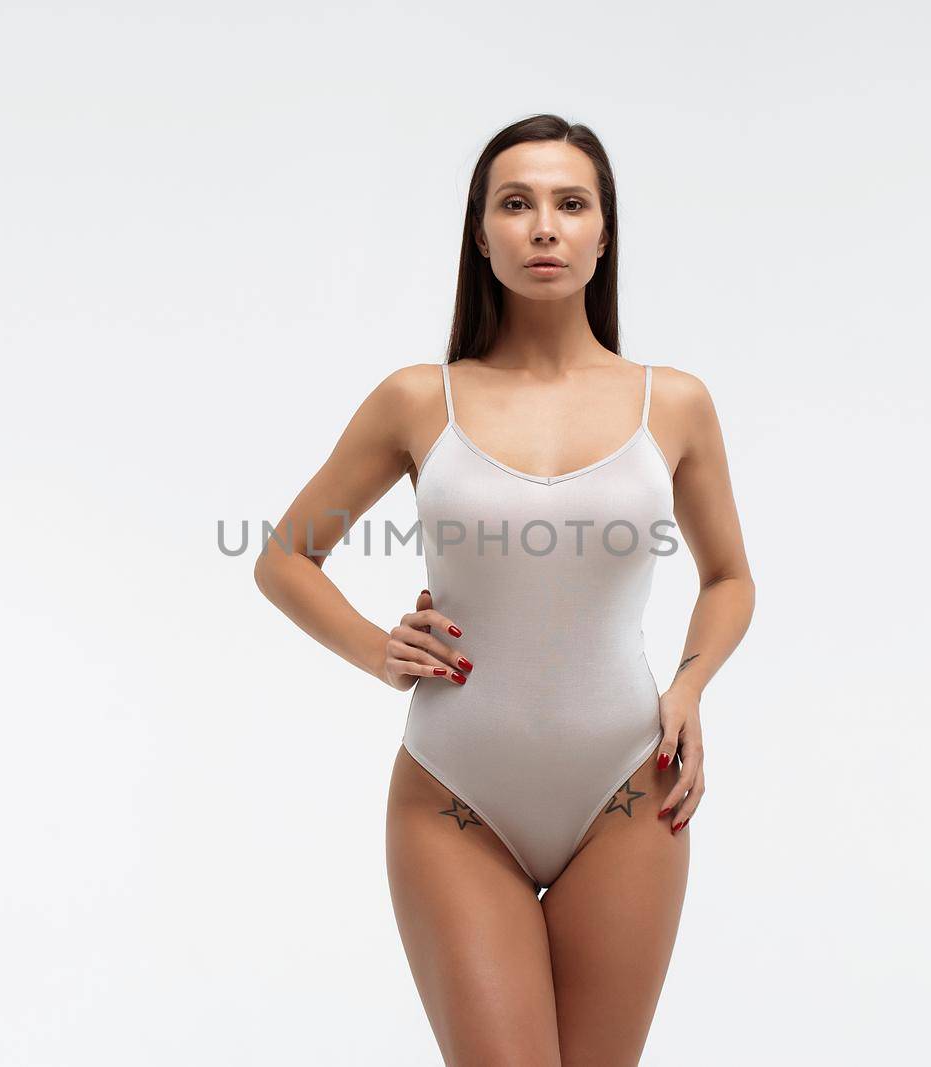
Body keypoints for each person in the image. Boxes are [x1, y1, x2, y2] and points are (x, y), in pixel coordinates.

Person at [253, 113, 755, 1066]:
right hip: (455, 797)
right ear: (480, 235)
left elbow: (729, 578)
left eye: (572, 204)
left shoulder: (674, 402)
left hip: (628, 791)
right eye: (515, 203)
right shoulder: (418, 398)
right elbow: (284, 556)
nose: (544, 226)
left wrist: (688, 688)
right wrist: (377, 649)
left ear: (605, 234)